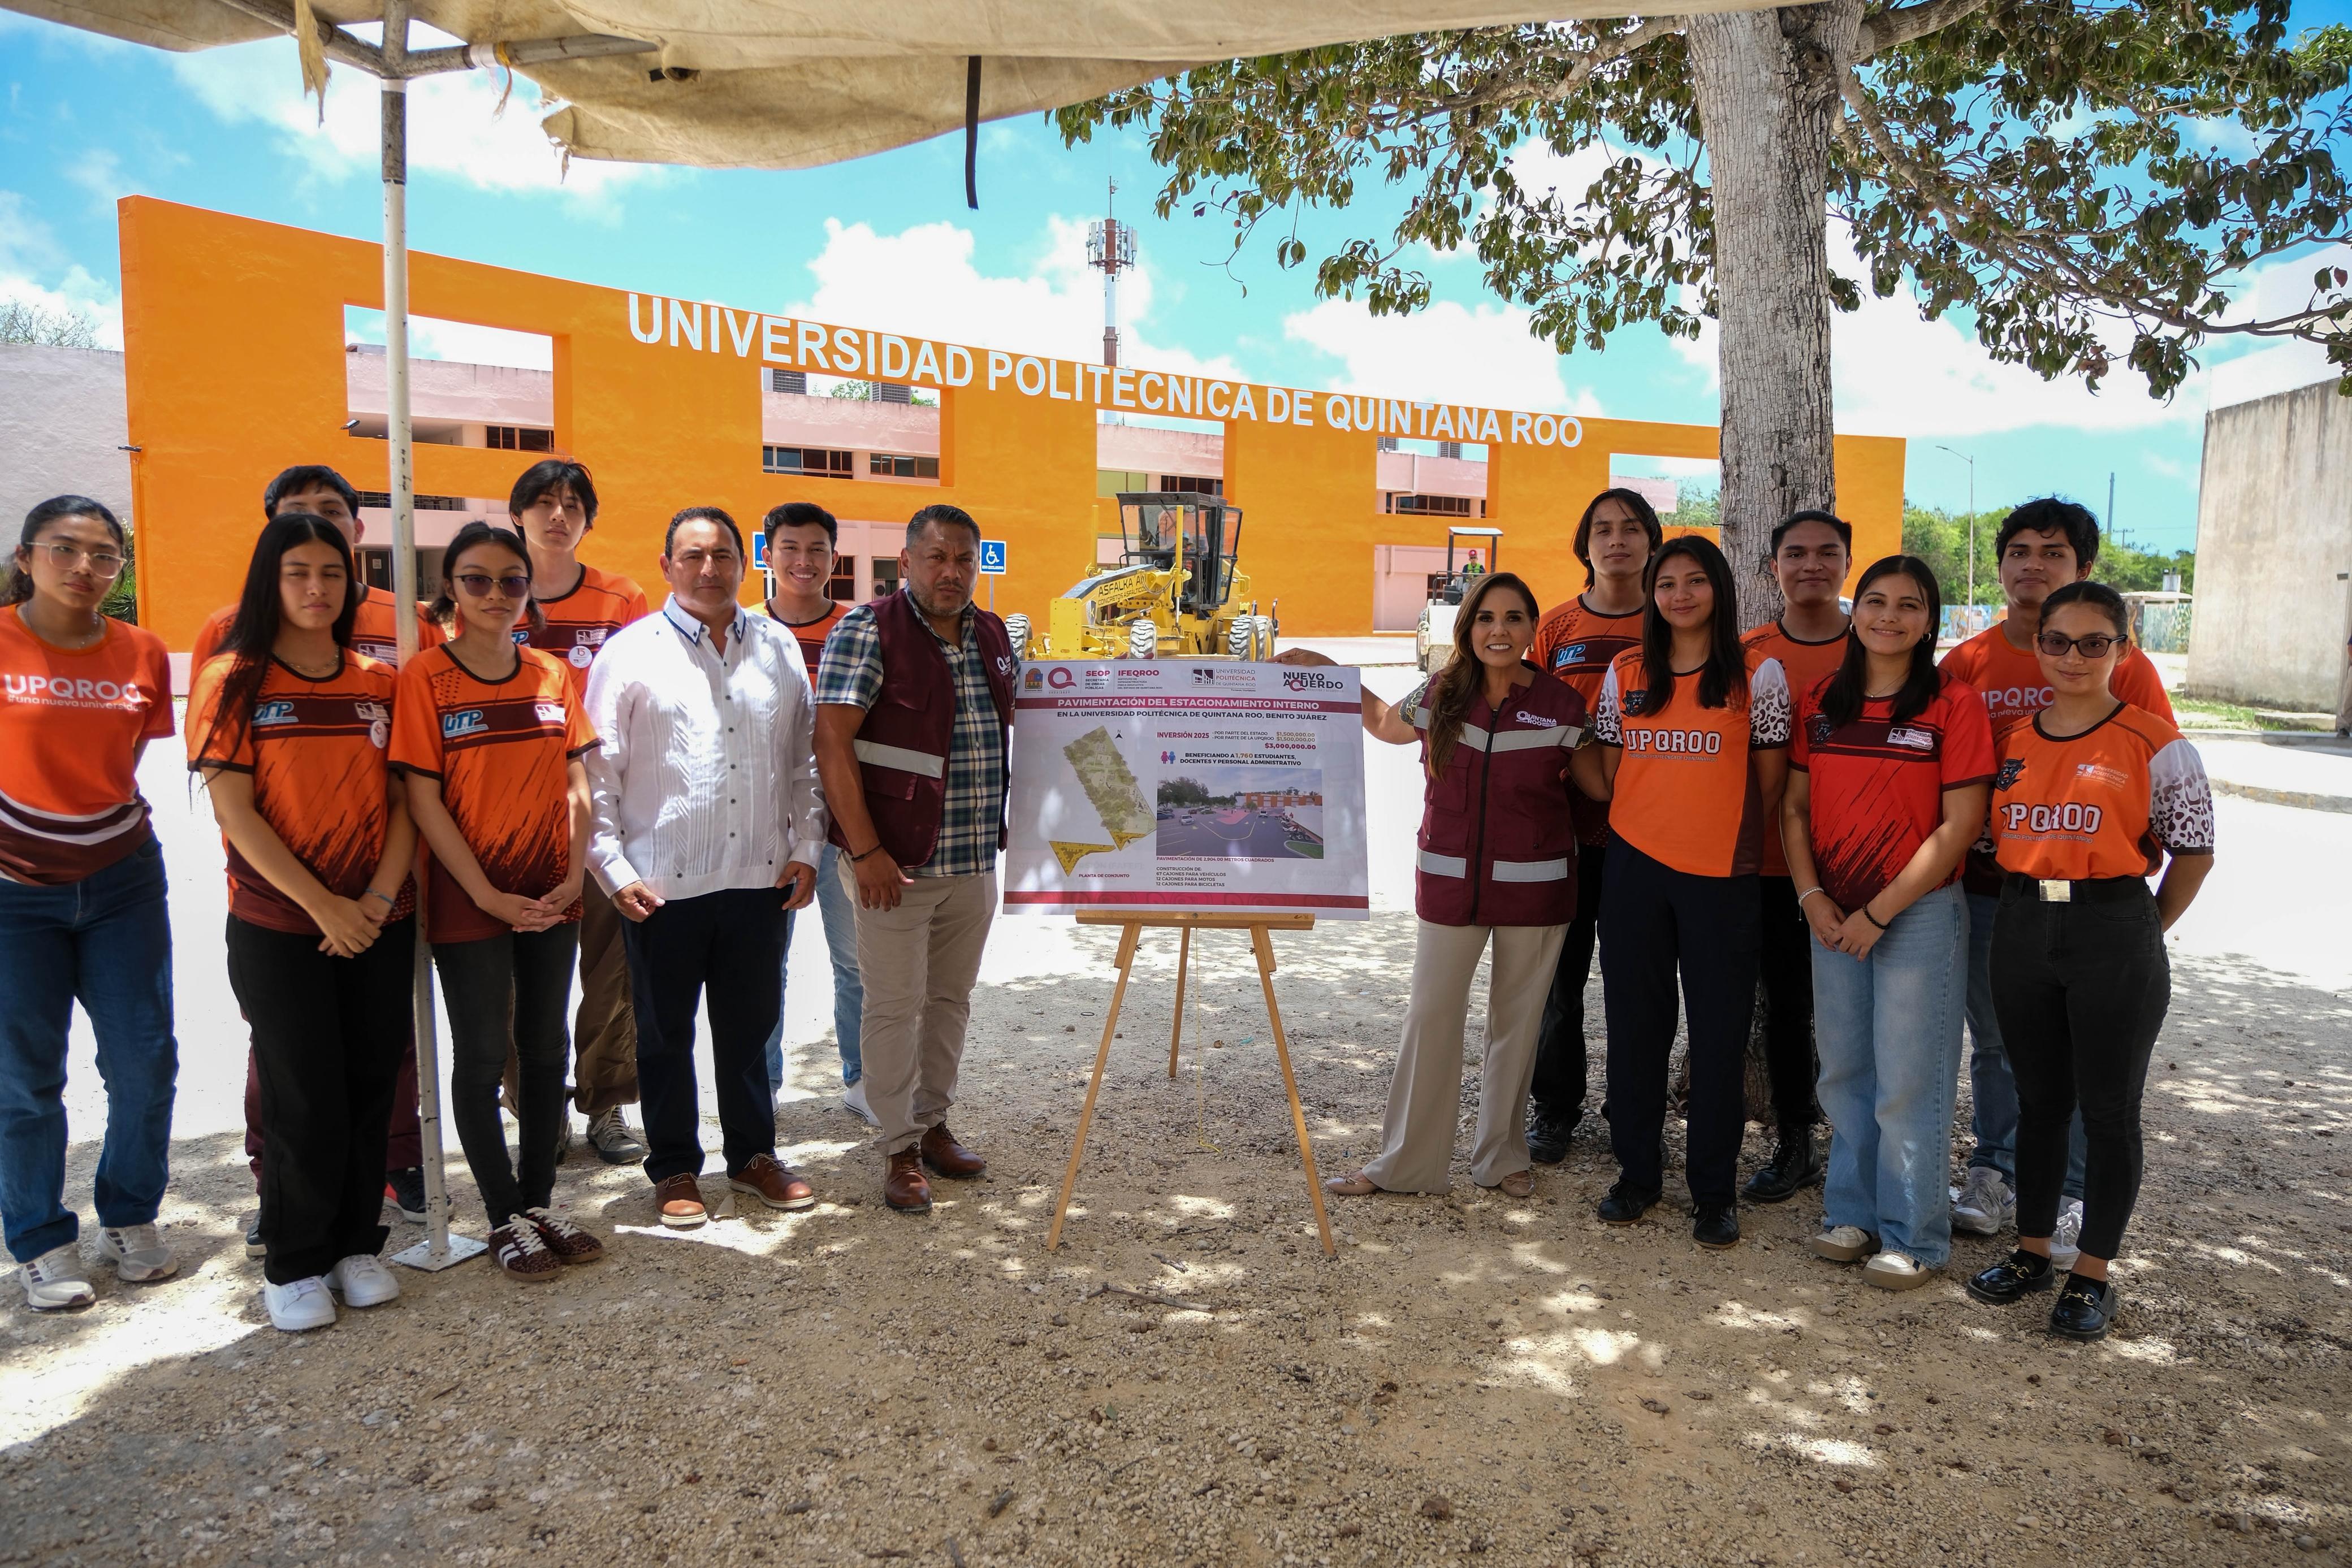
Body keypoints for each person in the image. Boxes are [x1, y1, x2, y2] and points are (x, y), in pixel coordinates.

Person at [193, 465, 438, 1244]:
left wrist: (372, 902)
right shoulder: (231, 677)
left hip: (375, 916)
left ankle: (359, 1240)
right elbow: (236, 809)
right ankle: (296, 1258)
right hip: (282, 920)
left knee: (372, 1084)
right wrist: (325, 905)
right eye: (297, 572)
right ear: (270, 578)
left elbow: (405, 802)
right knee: (302, 1091)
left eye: (333, 572)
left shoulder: (379, 679)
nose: (317, 587)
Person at [1965, 580, 2213, 1340]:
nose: (2074, 655)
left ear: (2123, 649)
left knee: (2107, 1110)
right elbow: (1985, 838)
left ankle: (2093, 1271)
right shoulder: (2011, 741)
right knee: (2039, 1101)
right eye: (2059, 640)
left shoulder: (2156, 742)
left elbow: (2194, 853)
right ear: (2037, 647)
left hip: (2113, 925)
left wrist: (2139, 929)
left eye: (2094, 641)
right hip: (2023, 922)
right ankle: (2033, 1249)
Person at [1312, 573, 1603, 1199]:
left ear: (1531, 629)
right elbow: (1386, 724)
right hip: (1449, 887)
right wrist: (1327, 673)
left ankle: (1500, 1158)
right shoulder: (1443, 691)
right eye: (1485, 618)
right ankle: (1405, 1164)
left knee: (1516, 1025)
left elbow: (1601, 786)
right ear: (1466, 628)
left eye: (1514, 618)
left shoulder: (1560, 703)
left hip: (1537, 888)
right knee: (1430, 1017)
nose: (1499, 630)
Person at [1939, 499, 2174, 1257]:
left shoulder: (2128, 667)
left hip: (2100, 909)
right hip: (1996, 899)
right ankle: (1996, 1173)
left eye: (2054, 551)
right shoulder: (1969, 663)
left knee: (2083, 1059)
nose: (2033, 563)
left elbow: (2160, 782)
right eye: (2020, 550)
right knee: (2003, 1048)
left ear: (2084, 569)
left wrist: (2133, 924)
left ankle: (2073, 1195)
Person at [586, 508, 824, 1230]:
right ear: (666, 565)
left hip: (758, 877)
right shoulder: (629, 654)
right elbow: (599, 773)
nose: (709, 568)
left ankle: (753, 1156)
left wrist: (806, 846)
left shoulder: (778, 647)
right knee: (664, 1033)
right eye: (692, 555)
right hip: (663, 885)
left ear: (744, 563)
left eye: (722, 554)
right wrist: (610, 862)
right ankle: (676, 1166)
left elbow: (803, 758)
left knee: (750, 1026)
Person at [390, 523, 605, 1283]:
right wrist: (485, 893)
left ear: (528, 590)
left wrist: (577, 874)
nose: (494, 594)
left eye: (511, 580)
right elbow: (422, 795)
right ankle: (502, 1211)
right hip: (470, 897)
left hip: (553, 892)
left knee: (546, 1049)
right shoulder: (425, 677)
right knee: (484, 1055)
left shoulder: (551, 671)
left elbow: (578, 778)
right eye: (476, 579)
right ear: (450, 585)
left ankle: (541, 1199)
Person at [1780, 556, 1994, 1289]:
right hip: (1833, 914)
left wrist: (1880, 911)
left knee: (1910, 1079)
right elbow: (1795, 809)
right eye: (1875, 600)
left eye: (1909, 604)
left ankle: (1915, 1238)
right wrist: (1813, 897)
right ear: (1856, 610)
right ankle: (1853, 1213)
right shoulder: (1821, 701)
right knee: (1845, 1072)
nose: (1889, 616)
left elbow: (1960, 825)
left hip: (1918, 915)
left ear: (1929, 620)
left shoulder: (1952, 705)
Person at [0, 497, 179, 1312]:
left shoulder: (141, 651)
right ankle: (41, 1239)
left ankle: (130, 1214)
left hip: (122, 881)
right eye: (65, 549)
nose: (85, 567)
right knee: (26, 1080)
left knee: (144, 1060)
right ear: (26, 555)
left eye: (105, 555)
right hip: (13, 893)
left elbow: (126, 756)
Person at [1588, 535, 1791, 1249]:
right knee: (1636, 1028)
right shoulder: (1625, 669)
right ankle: (1637, 1175)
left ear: (1719, 590)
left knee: (1717, 1038)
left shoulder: (1757, 676)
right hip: (1634, 874)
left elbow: (1768, 784)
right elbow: (1612, 774)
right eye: (1665, 582)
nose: (1678, 594)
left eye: (1693, 581)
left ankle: (1713, 1190)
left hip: (1721, 878)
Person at [814, 504, 1017, 1215]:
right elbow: (831, 743)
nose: (951, 572)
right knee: (893, 1008)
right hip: (891, 868)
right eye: (936, 558)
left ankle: (932, 1124)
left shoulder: (991, 633)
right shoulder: (866, 630)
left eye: (964, 559)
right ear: (906, 563)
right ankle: (897, 1145)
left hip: (969, 863)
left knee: (948, 1003)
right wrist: (865, 851)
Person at [509, 458, 652, 1168]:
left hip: (599, 811)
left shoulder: (620, 599)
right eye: (543, 502)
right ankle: (536, 1110)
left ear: (588, 518)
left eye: (572, 503)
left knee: (611, 968)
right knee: (519, 977)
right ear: (518, 514)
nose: (557, 515)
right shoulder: (492, 588)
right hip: (505, 817)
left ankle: (607, 1104)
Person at [1524, 488, 1662, 1162]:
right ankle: (1553, 1108)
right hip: (1563, 835)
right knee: (1557, 981)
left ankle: (1630, 1111)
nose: (1617, 541)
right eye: (1602, 529)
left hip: (1648, 836)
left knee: (1638, 983)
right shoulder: (1554, 629)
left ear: (1651, 541)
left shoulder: (1671, 626)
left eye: (1630, 528)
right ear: (1584, 545)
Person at [1737, 510, 1854, 1203]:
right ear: (1772, 566)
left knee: (1855, 1015)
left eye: (1826, 552)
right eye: (1794, 553)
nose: (1811, 564)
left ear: (1846, 562)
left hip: (1861, 871)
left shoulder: (1878, 645)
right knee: (1785, 1010)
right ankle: (1794, 1142)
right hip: (1772, 867)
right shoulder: (1747, 652)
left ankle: (1860, 1144)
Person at [757, 501, 867, 1124]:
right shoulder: (745, 629)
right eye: (790, 548)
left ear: (833, 557)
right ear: (768, 554)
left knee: (854, 958)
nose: (803, 561)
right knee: (764, 961)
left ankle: (860, 1075)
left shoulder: (858, 628)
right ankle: (764, 1083)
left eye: (817, 550)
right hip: (769, 826)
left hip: (845, 821)